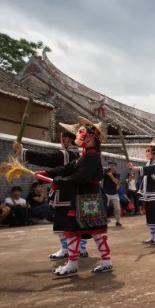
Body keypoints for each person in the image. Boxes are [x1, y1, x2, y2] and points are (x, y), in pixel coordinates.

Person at [37, 117, 113, 277]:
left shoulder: (92, 156)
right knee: (87, 231)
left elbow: (81, 177)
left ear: (91, 137)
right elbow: (67, 168)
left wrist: (59, 182)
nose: (78, 135)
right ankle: (100, 262)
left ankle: (77, 264)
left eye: (82, 132)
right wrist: (48, 173)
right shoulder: (85, 155)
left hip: (88, 198)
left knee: (76, 230)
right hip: (84, 197)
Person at [13, 126, 88, 258]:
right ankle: (80, 249)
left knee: (62, 222)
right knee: (78, 221)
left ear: (67, 140)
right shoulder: (83, 155)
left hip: (64, 194)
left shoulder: (67, 155)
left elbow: (46, 158)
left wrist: (22, 151)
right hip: (80, 194)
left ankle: (68, 249)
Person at [128, 139, 155, 245]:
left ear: (153, 153)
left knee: (154, 215)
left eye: (148, 151)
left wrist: (134, 167)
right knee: (148, 215)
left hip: (154, 194)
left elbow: (149, 170)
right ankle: (152, 235)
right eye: (146, 151)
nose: (146, 153)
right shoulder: (148, 163)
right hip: (147, 193)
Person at [102, 161, 121, 227]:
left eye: (113, 165)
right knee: (104, 208)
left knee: (118, 209)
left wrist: (111, 175)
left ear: (115, 167)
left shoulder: (117, 174)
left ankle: (117, 221)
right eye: (110, 165)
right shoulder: (105, 173)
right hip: (106, 193)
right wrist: (102, 170)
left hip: (114, 194)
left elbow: (116, 182)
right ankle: (104, 221)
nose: (111, 167)